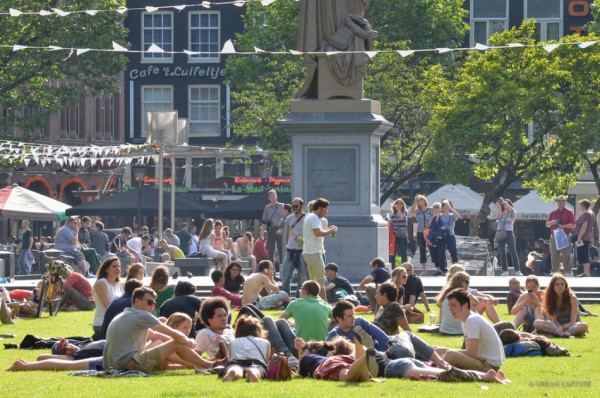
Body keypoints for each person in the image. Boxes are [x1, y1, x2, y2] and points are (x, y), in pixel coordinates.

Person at [103, 286, 220, 372]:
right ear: (137, 301)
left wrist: (178, 342)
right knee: (176, 343)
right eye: (149, 302)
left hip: (115, 365)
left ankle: (203, 364)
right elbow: (174, 334)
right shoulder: (141, 315)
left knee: (164, 343)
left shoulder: (126, 315)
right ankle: (210, 365)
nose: (152, 306)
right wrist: (188, 342)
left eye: (154, 303)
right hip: (128, 365)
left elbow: (155, 335)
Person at [442, 288, 506, 372]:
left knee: (450, 355)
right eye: (449, 306)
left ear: (465, 305)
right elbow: (469, 350)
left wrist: (446, 351)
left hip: (489, 366)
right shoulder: (465, 320)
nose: (450, 309)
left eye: (454, 305)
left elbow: (471, 353)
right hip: (483, 362)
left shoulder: (472, 320)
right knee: (441, 351)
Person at [302, 197, 337, 300]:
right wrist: (330, 231)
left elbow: (318, 232)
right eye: (325, 210)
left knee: (313, 281)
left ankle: (310, 303)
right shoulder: (314, 218)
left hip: (309, 252)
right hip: (314, 252)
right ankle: (324, 305)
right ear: (320, 208)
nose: (325, 213)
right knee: (321, 280)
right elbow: (317, 233)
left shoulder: (310, 217)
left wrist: (327, 230)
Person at [221, 315, 271, 382]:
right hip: (256, 362)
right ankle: (253, 373)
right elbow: (265, 361)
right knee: (257, 369)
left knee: (235, 367)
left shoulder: (233, 342)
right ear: (258, 330)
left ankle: (233, 372)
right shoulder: (265, 342)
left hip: (237, 361)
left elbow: (231, 358)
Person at [281, 197, 308, 298]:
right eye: (293, 206)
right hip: (290, 251)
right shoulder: (289, 218)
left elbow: (309, 234)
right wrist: (287, 244)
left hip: (302, 251)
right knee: (286, 277)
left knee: (301, 279)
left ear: (302, 206)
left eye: (296, 206)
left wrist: (302, 239)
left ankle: (299, 299)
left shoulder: (307, 218)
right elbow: (287, 232)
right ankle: (285, 299)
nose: (294, 208)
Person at [545, 195, 576, 277]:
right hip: (554, 236)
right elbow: (547, 225)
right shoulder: (552, 213)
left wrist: (563, 226)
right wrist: (552, 222)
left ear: (565, 202)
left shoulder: (569, 212)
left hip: (565, 235)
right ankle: (554, 271)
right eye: (559, 200)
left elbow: (572, 225)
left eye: (563, 201)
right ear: (557, 202)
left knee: (566, 254)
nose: (561, 202)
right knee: (554, 255)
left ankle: (568, 272)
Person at [92, 257, 123, 335]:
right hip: (102, 324)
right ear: (106, 269)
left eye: (119, 266)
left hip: (117, 322)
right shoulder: (101, 283)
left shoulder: (118, 284)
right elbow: (109, 306)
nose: (118, 269)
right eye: (114, 266)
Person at [430, 199, 459, 275]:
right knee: (441, 253)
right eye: (443, 205)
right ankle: (444, 269)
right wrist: (439, 212)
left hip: (450, 235)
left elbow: (457, 217)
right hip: (441, 237)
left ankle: (455, 266)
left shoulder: (451, 215)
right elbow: (435, 222)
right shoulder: (438, 215)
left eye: (446, 205)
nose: (445, 207)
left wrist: (450, 208)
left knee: (453, 251)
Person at [411, 194, 438, 275]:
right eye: (418, 200)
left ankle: (438, 268)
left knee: (432, 249)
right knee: (422, 250)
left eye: (421, 200)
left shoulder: (430, 210)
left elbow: (436, 218)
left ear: (425, 200)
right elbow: (412, 213)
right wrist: (414, 202)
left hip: (429, 232)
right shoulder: (417, 210)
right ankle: (424, 270)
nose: (419, 201)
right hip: (420, 232)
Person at [496, 198, 521, 276]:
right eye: (503, 204)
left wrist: (504, 202)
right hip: (500, 233)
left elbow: (513, 210)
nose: (505, 205)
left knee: (513, 252)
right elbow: (498, 218)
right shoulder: (502, 213)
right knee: (502, 253)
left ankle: (517, 270)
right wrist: (499, 207)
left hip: (509, 232)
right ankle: (505, 271)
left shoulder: (512, 213)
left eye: (506, 204)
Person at [572, 199, 596, 277]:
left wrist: (579, 237)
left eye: (580, 205)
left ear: (583, 205)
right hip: (587, 237)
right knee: (585, 254)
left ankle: (586, 273)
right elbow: (591, 227)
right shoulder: (591, 213)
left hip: (583, 237)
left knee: (583, 254)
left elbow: (584, 225)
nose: (580, 207)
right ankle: (586, 272)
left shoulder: (586, 213)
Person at [261, 189, 284, 265]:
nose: (273, 197)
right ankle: (272, 269)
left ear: (276, 196)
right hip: (270, 229)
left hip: (280, 229)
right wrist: (262, 231)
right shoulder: (267, 207)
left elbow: (286, 217)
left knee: (281, 249)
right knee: (270, 250)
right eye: (271, 196)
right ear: (269, 198)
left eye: (274, 195)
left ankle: (282, 267)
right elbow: (264, 220)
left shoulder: (282, 206)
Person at [389, 199, 409, 266]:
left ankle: (405, 267)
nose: (399, 205)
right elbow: (389, 223)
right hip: (394, 235)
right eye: (397, 203)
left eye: (401, 203)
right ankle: (392, 268)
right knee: (392, 253)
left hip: (402, 235)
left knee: (403, 253)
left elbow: (402, 218)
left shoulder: (404, 212)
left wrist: (398, 210)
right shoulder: (393, 214)